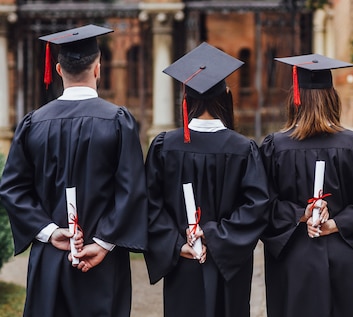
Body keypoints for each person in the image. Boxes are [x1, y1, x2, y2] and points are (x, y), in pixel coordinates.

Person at [0, 24, 148, 316]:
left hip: (50, 259)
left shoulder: (33, 123)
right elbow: (132, 190)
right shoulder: (118, 121)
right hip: (103, 265)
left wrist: (50, 232)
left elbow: (12, 188)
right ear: (98, 68)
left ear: (57, 69)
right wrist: (104, 243)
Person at [143, 42, 269, 317]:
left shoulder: (165, 146)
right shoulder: (242, 148)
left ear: (185, 97)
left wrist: (178, 245)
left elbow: (150, 206)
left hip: (183, 262)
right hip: (229, 264)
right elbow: (257, 207)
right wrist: (216, 236)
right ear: (225, 95)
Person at [260, 54, 353, 317]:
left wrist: (300, 214)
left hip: (293, 255)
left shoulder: (274, 147)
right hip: (341, 251)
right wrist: (337, 224)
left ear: (295, 98)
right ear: (332, 97)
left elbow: (263, 206)